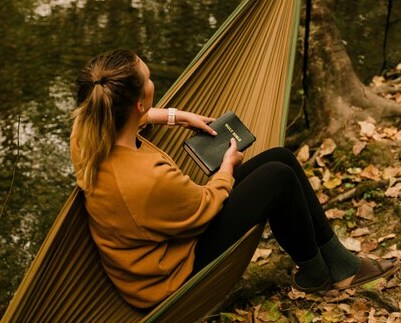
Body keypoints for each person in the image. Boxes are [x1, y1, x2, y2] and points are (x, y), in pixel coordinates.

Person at [70, 49, 398, 309]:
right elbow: (204, 205)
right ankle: (318, 273)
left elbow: (126, 114)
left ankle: (336, 264)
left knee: (280, 158)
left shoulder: (87, 134)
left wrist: (175, 116)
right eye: (149, 78)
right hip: (167, 272)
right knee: (278, 177)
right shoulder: (147, 179)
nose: (152, 80)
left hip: (159, 242)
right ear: (138, 102)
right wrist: (227, 166)